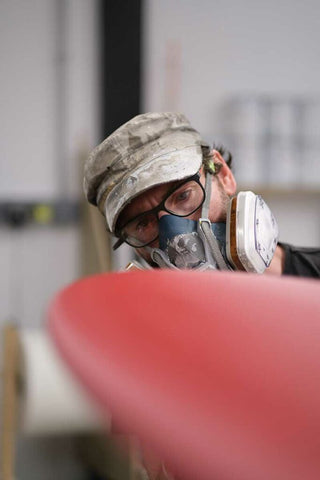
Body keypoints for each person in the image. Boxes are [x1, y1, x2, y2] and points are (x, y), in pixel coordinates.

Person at [84, 111, 320, 278]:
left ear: (223, 175)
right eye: (143, 223)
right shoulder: (146, 337)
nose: (176, 237)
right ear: (134, 247)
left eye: (183, 196)